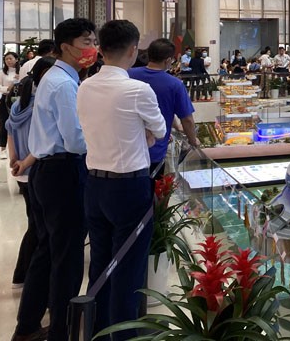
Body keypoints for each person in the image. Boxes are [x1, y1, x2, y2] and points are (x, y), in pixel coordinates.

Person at [78, 20, 166, 340]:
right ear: (133, 50)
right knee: (128, 270)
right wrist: (142, 134)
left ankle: (99, 332)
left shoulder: (85, 86)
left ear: (100, 49)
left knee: (100, 265)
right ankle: (124, 336)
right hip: (129, 187)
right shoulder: (137, 90)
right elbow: (159, 130)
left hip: (94, 185)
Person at [13, 17, 96, 341]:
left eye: (94, 41)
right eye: (86, 42)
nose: (92, 48)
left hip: (47, 172)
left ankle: (28, 325)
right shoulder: (63, 84)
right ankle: (61, 329)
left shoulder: (56, 78)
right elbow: (74, 141)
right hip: (63, 173)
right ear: (65, 47)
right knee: (67, 256)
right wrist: (102, 142)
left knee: (48, 251)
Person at [7, 57, 56, 291]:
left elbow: (10, 131)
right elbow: (42, 144)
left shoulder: (18, 105)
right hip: (36, 169)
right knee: (39, 228)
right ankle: (26, 275)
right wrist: (25, 163)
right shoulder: (41, 106)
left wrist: (15, 161)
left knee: (34, 224)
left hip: (23, 172)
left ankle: (22, 275)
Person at [129, 38, 198, 178]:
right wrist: (193, 140)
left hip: (125, 149)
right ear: (168, 60)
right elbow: (187, 119)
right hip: (154, 151)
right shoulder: (174, 84)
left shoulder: (129, 75)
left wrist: (176, 126)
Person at [0, 51, 20, 158]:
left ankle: (18, 148)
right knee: (4, 123)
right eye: (6, 59)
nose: (8, 61)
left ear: (16, 59)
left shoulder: (22, 70)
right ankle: (3, 148)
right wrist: (7, 88)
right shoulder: (2, 72)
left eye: (10, 58)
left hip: (19, 99)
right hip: (6, 99)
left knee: (19, 123)